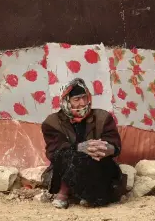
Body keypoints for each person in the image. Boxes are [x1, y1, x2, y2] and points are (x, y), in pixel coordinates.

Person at [41, 78, 125, 209]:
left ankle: (90, 196)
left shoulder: (103, 117)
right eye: (76, 100)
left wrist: (108, 148)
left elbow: (115, 143)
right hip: (66, 166)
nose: (82, 103)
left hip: (96, 164)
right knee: (68, 156)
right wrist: (79, 148)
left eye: (84, 98)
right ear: (66, 102)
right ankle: (64, 192)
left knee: (95, 161)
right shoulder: (52, 122)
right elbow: (54, 151)